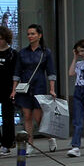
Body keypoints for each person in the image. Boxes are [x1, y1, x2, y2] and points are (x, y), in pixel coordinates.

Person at [10, 23, 58, 151]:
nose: (30, 36)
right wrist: (14, 90)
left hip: (39, 86)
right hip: (25, 87)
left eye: (33, 34)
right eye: (28, 34)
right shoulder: (22, 53)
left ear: (39, 35)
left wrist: (52, 89)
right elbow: (17, 72)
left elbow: (51, 71)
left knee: (38, 117)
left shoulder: (45, 52)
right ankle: (30, 144)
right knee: (27, 116)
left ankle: (50, 137)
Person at [0, 26, 15, 155]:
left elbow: (16, 74)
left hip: (8, 89)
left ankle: (7, 143)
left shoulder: (13, 54)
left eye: (1, 39)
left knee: (7, 117)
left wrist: (14, 90)